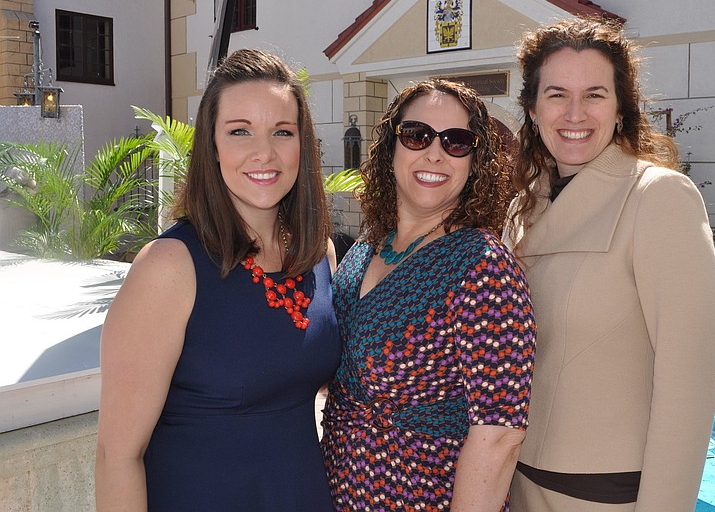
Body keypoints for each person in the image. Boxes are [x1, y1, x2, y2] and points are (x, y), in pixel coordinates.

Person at [95, 49, 341, 511]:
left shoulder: (318, 255)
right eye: (239, 131)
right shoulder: (170, 266)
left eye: (282, 132)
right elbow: (117, 456)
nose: (264, 152)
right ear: (211, 146)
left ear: (302, 145)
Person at [504, 17, 715, 511]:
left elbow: (688, 381)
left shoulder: (659, 197)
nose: (574, 113)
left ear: (620, 108)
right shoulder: (523, 206)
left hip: (603, 495)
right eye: (557, 94)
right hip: (514, 481)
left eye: (595, 95)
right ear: (533, 109)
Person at [321, 79, 536, 510]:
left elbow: (499, 436)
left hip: (422, 497)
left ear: (475, 162)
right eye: (417, 135)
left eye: (456, 142)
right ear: (391, 147)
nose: (435, 153)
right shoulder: (366, 247)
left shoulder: (483, 268)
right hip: (337, 489)